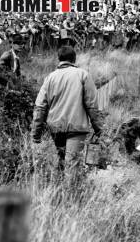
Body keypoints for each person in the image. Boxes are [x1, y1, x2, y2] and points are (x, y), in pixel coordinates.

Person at [31, 45, 103, 174]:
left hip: (56, 128)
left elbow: (40, 107)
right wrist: (99, 130)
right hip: (77, 128)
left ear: (59, 59)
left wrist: (36, 133)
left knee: (61, 161)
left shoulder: (50, 78)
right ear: (74, 59)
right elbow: (92, 105)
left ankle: (57, 191)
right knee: (72, 166)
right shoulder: (83, 75)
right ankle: (70, 192)